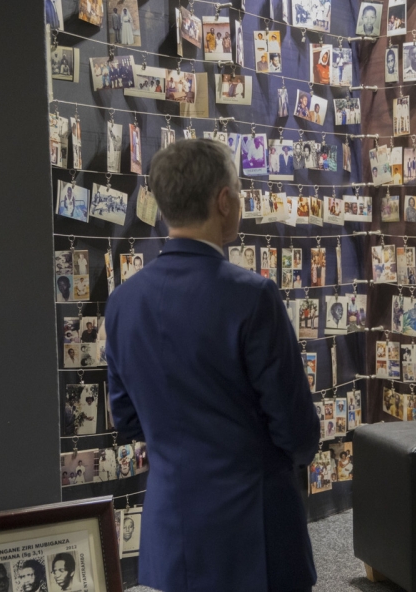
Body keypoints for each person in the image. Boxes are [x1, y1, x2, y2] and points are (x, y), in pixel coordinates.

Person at [105, 139, 319, 592]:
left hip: (171, 530)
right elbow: (297, 429)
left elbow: (126, 420)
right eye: (239, 193)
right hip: (254, 533)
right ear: (224, 201)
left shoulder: (123, 302)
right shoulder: (252, 296)